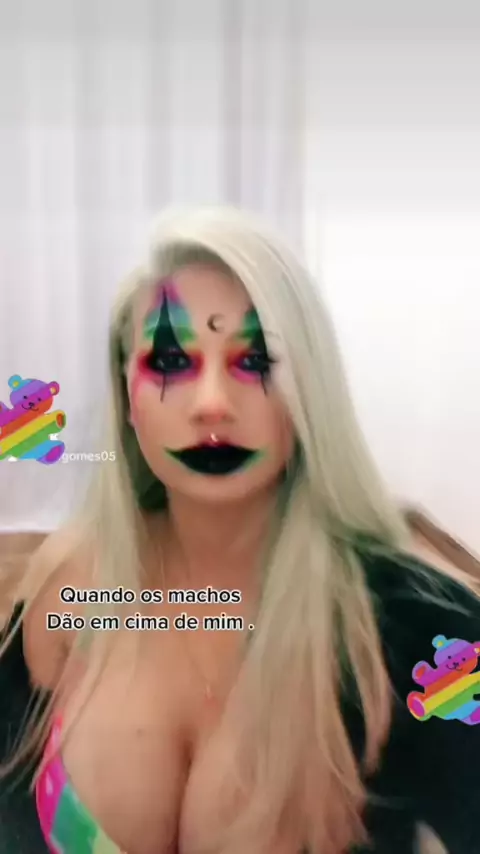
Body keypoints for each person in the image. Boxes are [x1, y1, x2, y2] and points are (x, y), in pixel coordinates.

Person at [0, 206, 479, 854]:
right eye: (171, 360)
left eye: (255, 360)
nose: (212, 404)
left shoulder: (418, 628)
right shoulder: (74, 581)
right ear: (125, 394)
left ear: (308, 388)